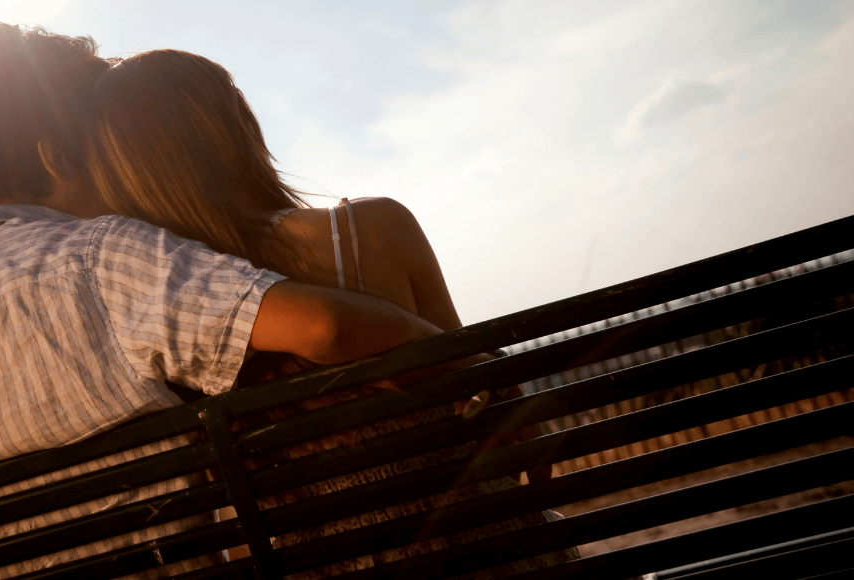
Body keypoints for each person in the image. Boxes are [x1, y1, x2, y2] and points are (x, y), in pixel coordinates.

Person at [0, 24, 448, 579]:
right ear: (58, 156)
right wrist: (456, 367)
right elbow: (323, 328)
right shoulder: (96, 255)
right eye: (104, 145)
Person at [79, 49, 578, 578]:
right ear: (235, 126)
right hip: (494, 551)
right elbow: (481, 390)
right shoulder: (376, 231)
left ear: (125, 175)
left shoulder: (165, 305)